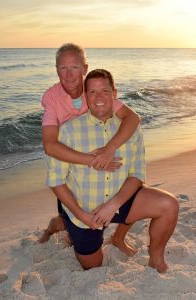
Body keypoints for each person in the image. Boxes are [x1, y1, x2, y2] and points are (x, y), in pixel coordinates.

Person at [46, 69, 179, 273]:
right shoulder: (68, 130)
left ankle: (156, 259)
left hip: (119, 201)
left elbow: (137, 175)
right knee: (94, 266)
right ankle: (60, 223)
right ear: (85, 96)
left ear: (114, 94)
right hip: (85, 211)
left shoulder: (130, 128)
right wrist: (81, 215)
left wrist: (113, 204)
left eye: (105, 91)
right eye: (92, 92)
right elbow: (56, 181)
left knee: (169, 205)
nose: (99, 97)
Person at [39, 43, 140, 245]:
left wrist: (109, 149)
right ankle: (51, 229)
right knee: (67, 218)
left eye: (75, 67)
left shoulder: (95, 91)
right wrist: (92, 160)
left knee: (134, 192)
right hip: (72, 164)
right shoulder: (52, 97)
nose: (69, 75)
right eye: (63, 68)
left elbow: (132, 118)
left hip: (104, 156)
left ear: (85, 68)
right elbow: (50, 146)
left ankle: (118, 238)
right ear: (56, 69)